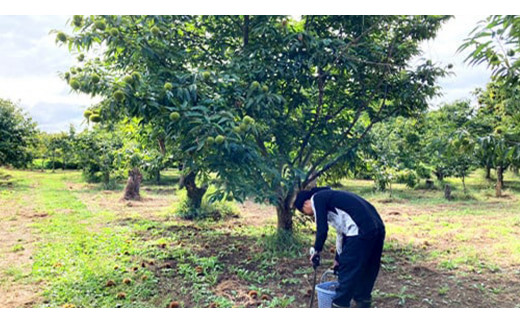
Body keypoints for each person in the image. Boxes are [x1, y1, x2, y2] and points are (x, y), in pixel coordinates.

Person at [294, 186, 385, 308]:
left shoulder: (317, 198)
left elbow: (322, 229)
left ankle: (339, 304)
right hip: (377, 229)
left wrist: (316, 251)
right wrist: (337, 258)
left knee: (347, 270)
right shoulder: (334, 198)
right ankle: (363, 301)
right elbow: (341, 233)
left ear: (305, 204)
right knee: (368, 269)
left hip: (360, 229)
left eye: (306, 213)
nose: (312, 216)